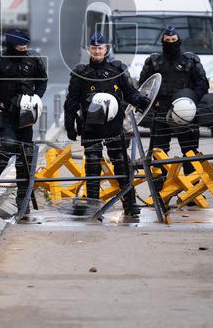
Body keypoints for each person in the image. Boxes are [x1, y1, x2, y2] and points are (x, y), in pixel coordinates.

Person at [64, 32, 151, 215]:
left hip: (114, 125)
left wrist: (142, 102)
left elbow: (130, 93)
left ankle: (130, 203)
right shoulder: (80, 73)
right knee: (92, 166)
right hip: (90, 126)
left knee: (121, 163)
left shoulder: (117, 69)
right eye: (94, 48)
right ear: (89, 49)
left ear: (106, 49)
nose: (97, 51)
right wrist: (69, 124)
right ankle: (92, 206)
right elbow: (71, 101)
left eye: (100, 48)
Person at [0, 28, 48, 208]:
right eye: (21, 45)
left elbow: (42, 80)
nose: (24, 48)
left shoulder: (33, 60)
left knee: (25, 153)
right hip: (4, 112)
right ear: (12, 44)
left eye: (26, 45)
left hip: (26, 113)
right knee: (8, 146)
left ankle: (22, 197)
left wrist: (35, 98)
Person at [139, 26, 209, 169]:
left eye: (173, 40)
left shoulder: (190, 61)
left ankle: (194, 189)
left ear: (179, 41)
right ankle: (160, 189)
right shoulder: (153, 62)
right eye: (167, 40)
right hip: (161, 112)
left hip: (185, 112)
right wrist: (152, 104)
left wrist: (191, 101)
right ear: (162, 42)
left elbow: (202, 84)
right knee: (159, 154)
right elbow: (144, 87)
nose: (170, 42)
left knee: (190, 153)